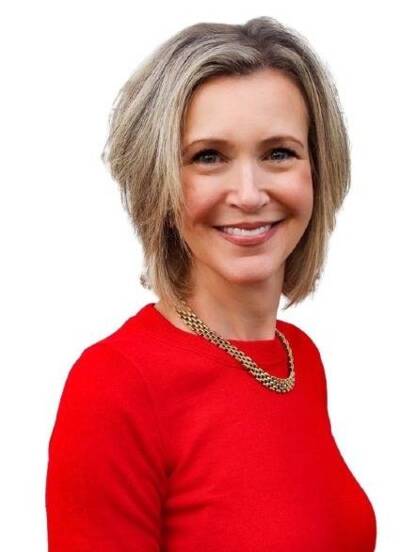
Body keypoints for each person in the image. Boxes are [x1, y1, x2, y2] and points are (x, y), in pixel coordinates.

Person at [45, 16, 377, 551]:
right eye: (208, 157)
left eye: (278, 153)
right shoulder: (114, 388)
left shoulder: (297, 359)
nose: (248, 194)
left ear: (319, 169)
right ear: (159, 181)